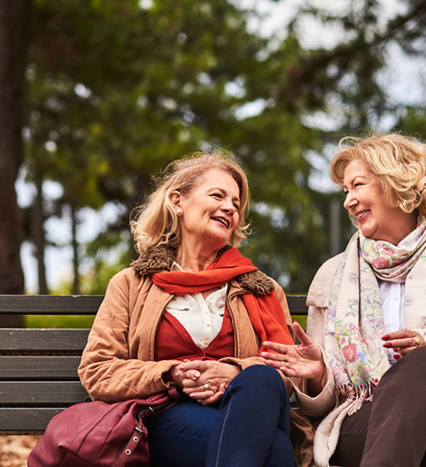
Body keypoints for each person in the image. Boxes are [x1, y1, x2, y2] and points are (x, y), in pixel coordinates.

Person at [78, 152, 303, 466]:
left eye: (236, 204)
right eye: (217, 195)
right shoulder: (131, 284)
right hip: (168, 414)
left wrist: (235, 371)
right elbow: (98, 370)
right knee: (275, 451)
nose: (230, 208)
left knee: (262, 379)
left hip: (251, 408)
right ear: (177, 202)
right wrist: (170, 373)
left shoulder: (262, 288)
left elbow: (287, 371)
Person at [263, 133, 426, 467]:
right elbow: (323, 403)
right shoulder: (333, 276)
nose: (348, 201)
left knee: (423, 363)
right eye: (345, 191)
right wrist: (319, 375)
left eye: (358, 185)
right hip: (365, 411)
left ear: (397, 183)